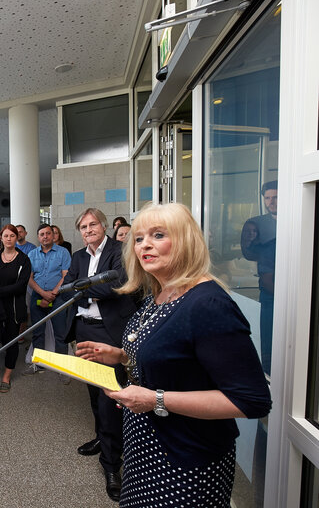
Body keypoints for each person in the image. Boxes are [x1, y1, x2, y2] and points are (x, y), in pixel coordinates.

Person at [77, 203, 272, 506]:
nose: (145, 245)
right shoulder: (161, 292)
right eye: (139, 238)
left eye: (158, 235)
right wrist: (121, 355)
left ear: (185, 240)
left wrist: (155, 399)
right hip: (145, 449)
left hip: (184, 458)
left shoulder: (207, 304)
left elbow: (250, 400)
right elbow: (175, 359)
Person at [59, 208, 137, 501]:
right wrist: (87, 287)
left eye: (93, 224)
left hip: (109, 331)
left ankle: (111, 464)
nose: (88, 229)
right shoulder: (79, 256)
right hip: (84, 329)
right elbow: (68, 290)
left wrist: (83, 288)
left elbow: (118, 285)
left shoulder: (119, 250)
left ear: (104, 226)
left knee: (110, 396)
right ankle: (103, 439)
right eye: (83, 226)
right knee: (93, 392)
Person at [0, 225, 31, 393]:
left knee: (11, 342)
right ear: (1, 238)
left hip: (14, 308)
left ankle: (7, 375)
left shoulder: (24, 259)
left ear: (17, 238)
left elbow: (20, 286)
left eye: (12, 235)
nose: (9, 238)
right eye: (6, 236)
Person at [240, 180, 277, 375]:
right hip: (270, 293)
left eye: (275, 197)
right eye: (268, 198)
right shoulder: (259, 224)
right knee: (268, 340)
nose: (271, 202)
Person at [25, 224, 71, 373]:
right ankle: (38, 364)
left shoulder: (63, 252)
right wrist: (43, 294)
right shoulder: (32, 254)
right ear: (38, 237)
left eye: (48, 233)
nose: (45, 236)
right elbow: (29, 278)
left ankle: (62, 367)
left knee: (61, 332)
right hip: (38, 295)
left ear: (53, 235)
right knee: (38, 332)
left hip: (58, 296)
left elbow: (66, 275)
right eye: (42, 234)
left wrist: (53, 293)